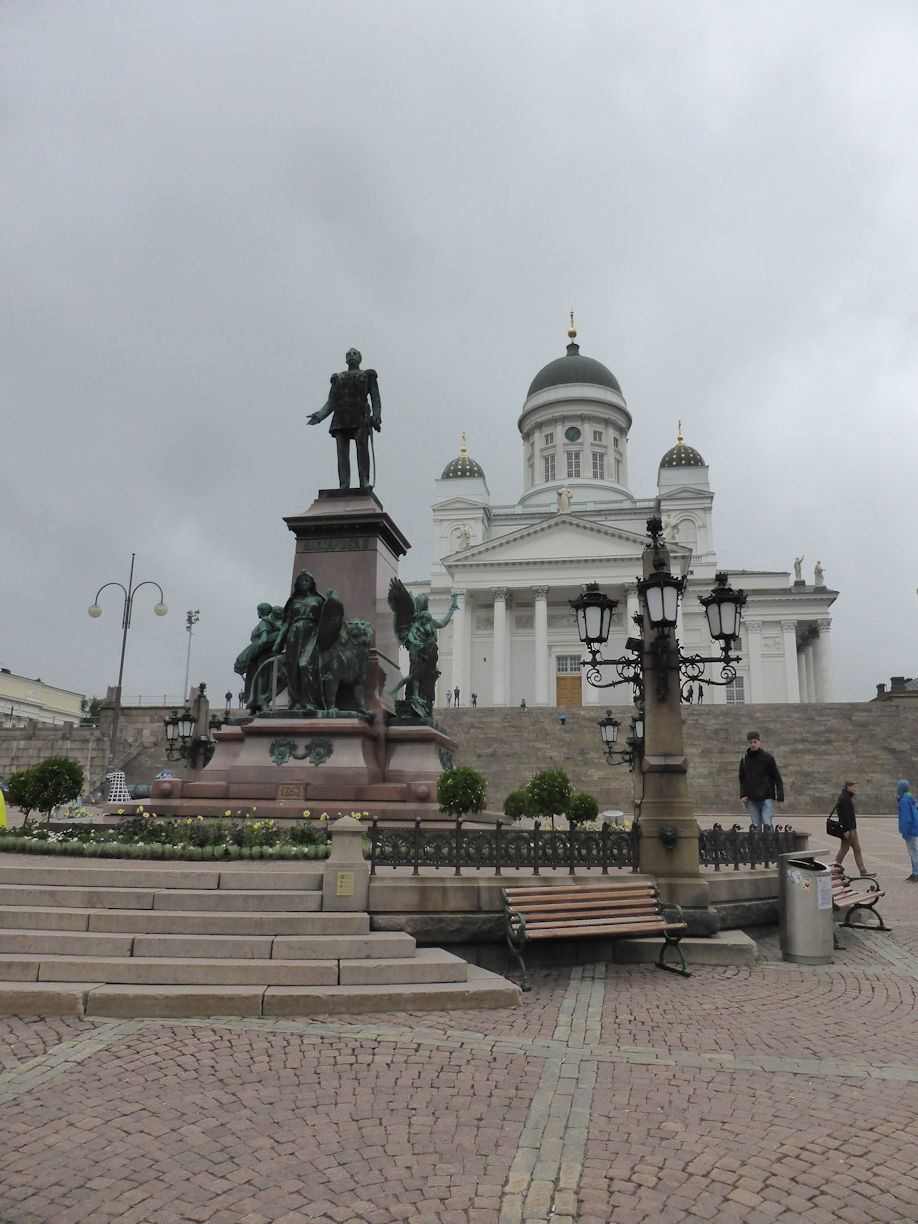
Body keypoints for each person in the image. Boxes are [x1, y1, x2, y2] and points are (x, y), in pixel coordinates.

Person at [308, 347, 381, 490]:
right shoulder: (339, 378)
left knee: (362, 450)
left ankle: (364, 481)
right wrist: (319, 415)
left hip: (360, 415)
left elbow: (375, 398)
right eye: (349, 354)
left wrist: (376, 416)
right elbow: (332, 401)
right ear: (345, 359)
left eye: (355, 354)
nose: (352, 356)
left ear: (360, 358)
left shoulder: (367, 375)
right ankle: (344, 483)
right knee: (342, 453)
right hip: (341, 417)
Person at [739, 731, 784, 829]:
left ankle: (770, 843)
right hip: (752, 798)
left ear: (760, 742)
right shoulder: (744, 760)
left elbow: (777, 777)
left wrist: (780, 795)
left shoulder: (768, 758)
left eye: (755, 742)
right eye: (751, 742)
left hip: (767, 796)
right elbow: (742, 779)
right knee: (755, 825)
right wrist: (743, 794)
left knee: (767, 822)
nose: (753, 745)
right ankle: (758, 844)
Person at [833, 780, 869, 876]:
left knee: (857, 849)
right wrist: (847, 830)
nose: (855, 789)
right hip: (848, 829)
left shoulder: (847, 797)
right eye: (854, 787)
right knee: (844, 849)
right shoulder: (844, 799)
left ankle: (863, 870)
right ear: (848, 787)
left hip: (852, 828)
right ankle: (835, 869)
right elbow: (844, 816)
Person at [896, 780, 918, 881]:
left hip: (909, 830)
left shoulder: (904, 800)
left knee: (913, 852)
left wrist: (904, 831)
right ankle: (915, 872)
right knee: (913, 851)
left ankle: (916, 873)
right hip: (913, 828)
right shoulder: (909, 799)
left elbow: (906, 818)